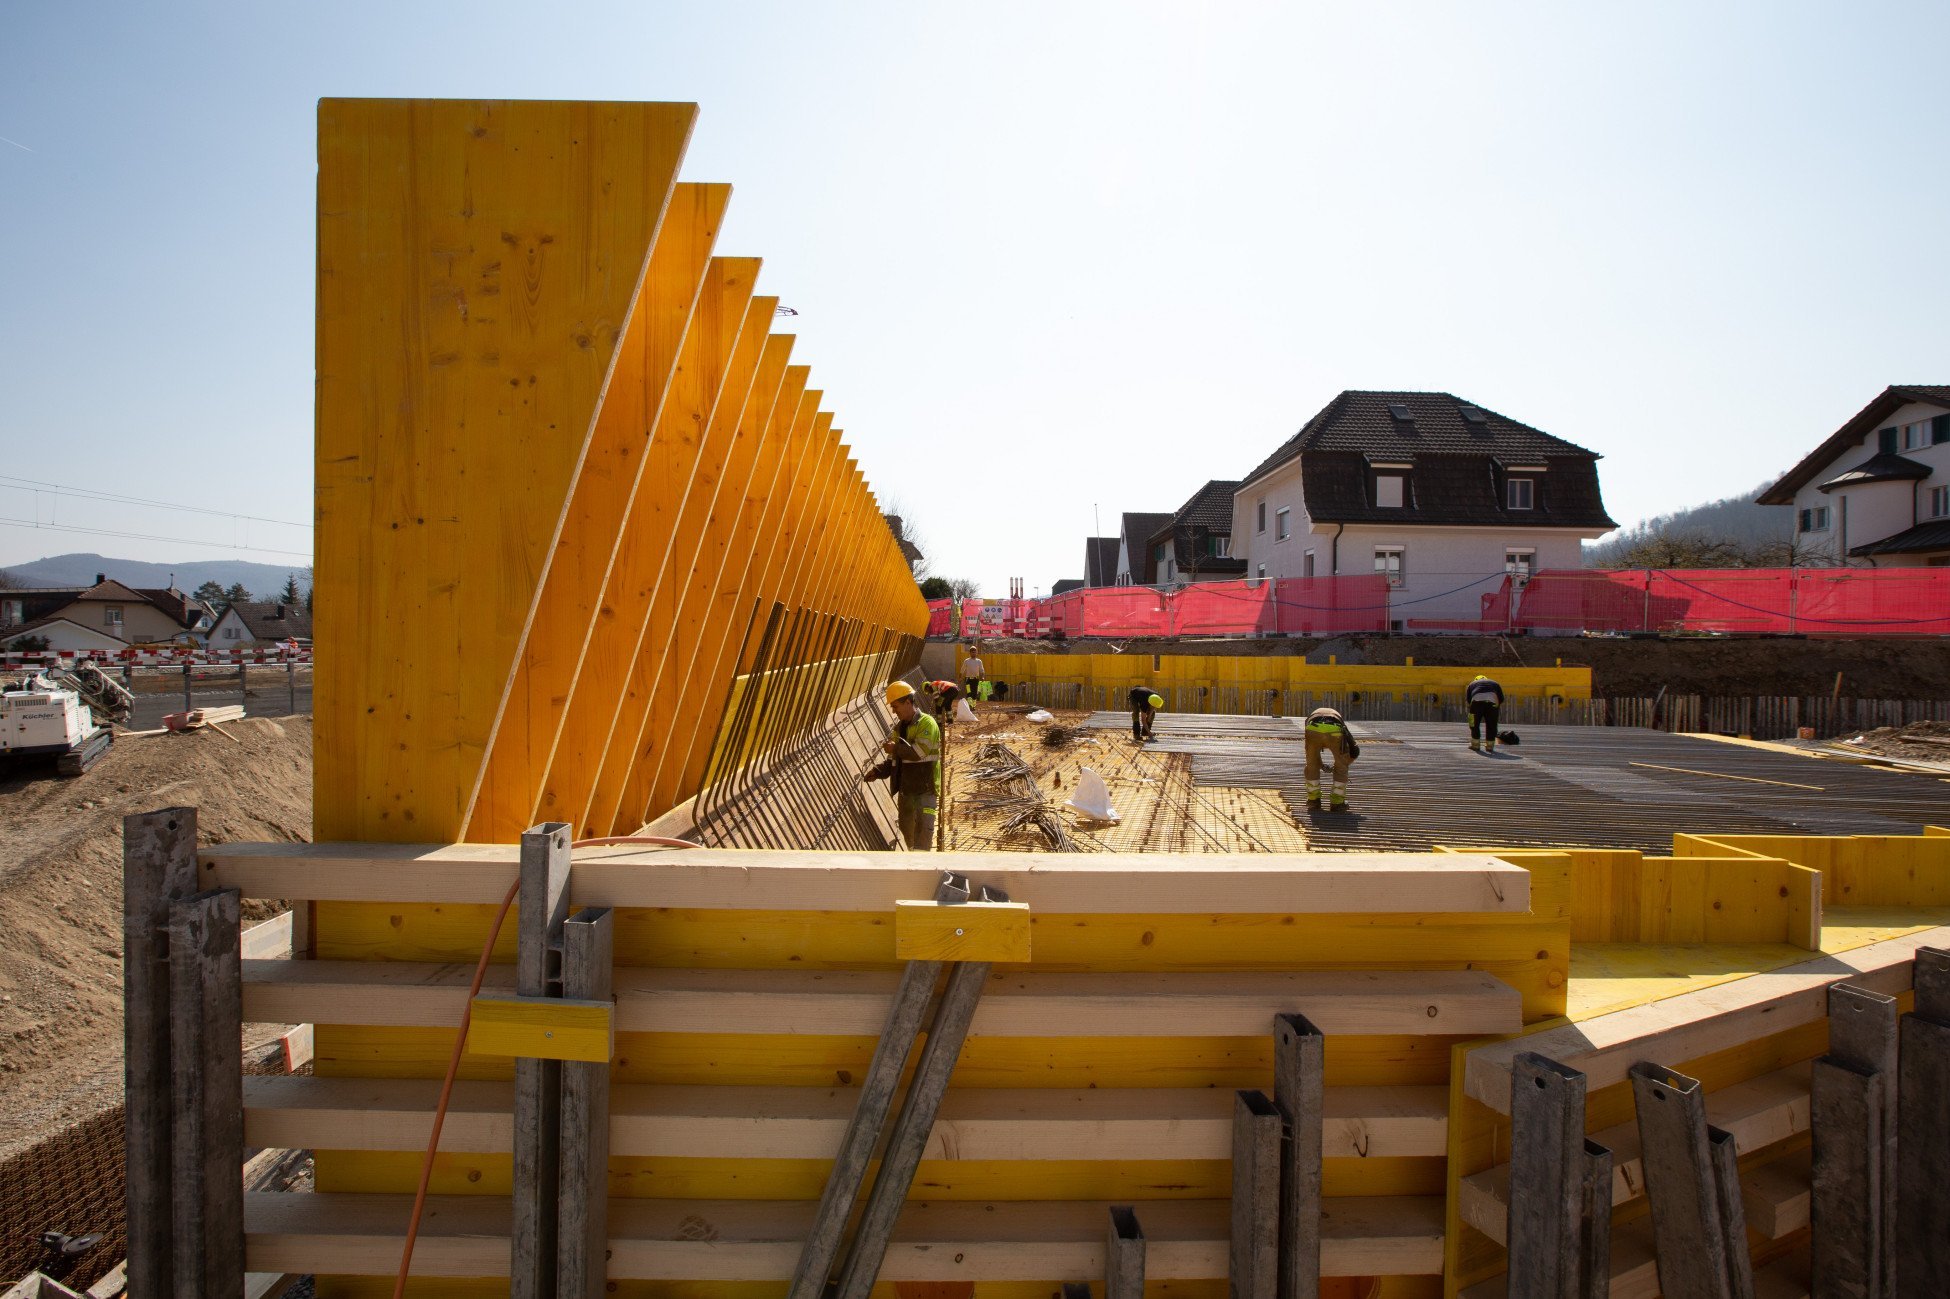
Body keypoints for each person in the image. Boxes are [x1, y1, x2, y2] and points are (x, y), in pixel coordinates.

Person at [869, 681, 942, 850]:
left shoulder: (927, 724)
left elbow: (918, 753)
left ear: (908, 702)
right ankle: (913, 864)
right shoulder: (899, 729)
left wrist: (895, 748)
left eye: (895, 706)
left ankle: (922, 869)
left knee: (923, 834)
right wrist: (879, 771)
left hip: (926, 790)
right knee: (908, 834)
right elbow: (895, 759)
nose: (894, 711)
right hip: (907, 791)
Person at [1303, 705, 1357, 810]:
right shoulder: (1340, 721)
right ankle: (1337, 803)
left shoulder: (1310, 719)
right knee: (1342, 766)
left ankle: (1313, 800)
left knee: (1311, 765)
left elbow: (1313, 758)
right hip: (1335, 729)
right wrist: (1339, 766)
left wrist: (1320, 765)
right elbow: (1354, 752)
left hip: (1312, 729)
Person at [1466, 674, 1505, 753]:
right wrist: (1495, 707)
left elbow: (1469, 700)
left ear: (1476, 680)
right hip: (1492, 702)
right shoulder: (1495, 683)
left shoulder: (1472, 684)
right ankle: (1490, 746)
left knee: (1474, 723)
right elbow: (1501, 698)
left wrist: (1473, 710)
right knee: (1491, 724)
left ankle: (1475, 745)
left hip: (1476, 702)